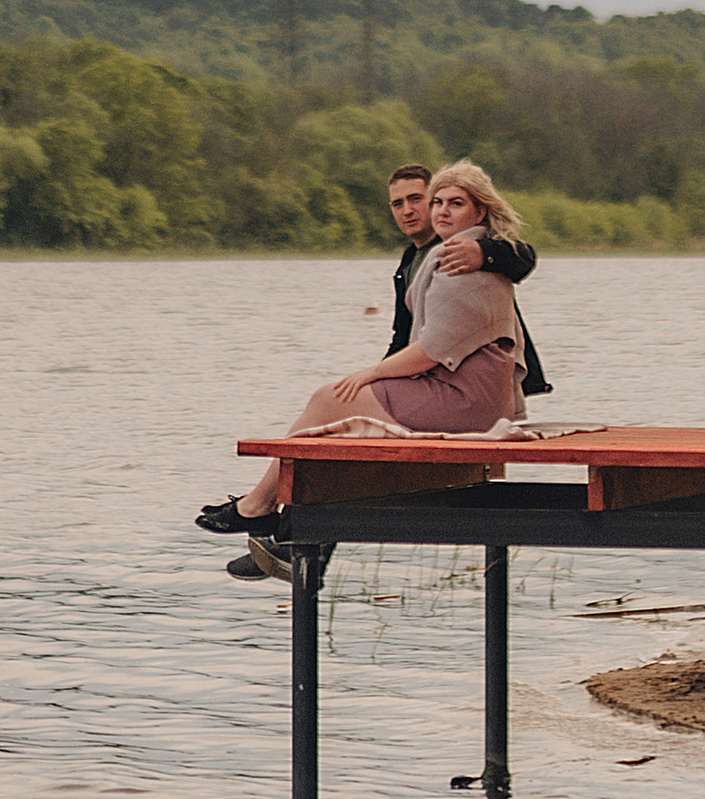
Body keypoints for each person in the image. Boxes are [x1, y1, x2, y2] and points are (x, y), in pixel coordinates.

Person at [194, 159, 542, 578]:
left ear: (476, 209)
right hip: (447, 384)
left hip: (463, 395)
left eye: (422, 199)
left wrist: (372, 377)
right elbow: (407, 340)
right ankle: (288, 538)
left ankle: (268, 514)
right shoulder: (420, 259)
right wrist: (376, 383)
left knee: (332, 405)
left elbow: (518, 259)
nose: (414, 210)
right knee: (337, 419)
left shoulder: (463, 257)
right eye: (402, 203)